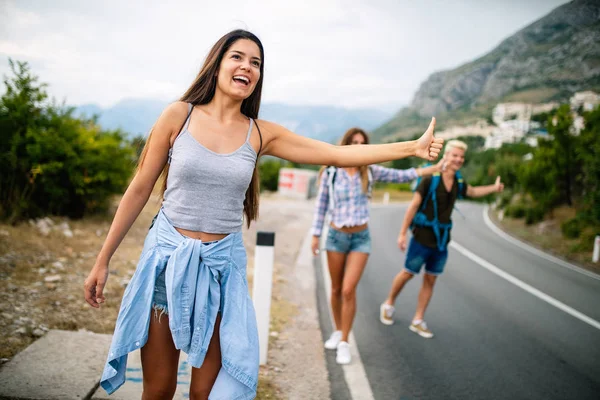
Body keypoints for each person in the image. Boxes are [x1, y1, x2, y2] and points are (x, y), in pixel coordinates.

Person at [83, 29, 443, 400]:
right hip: (166, 262)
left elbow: (337, 155)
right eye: (238, 57)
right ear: (218, 62)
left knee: (205, 393)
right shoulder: (179, 115)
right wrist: (102, 259)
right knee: (158, 389)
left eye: (256, 63)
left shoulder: (260, 134)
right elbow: (140, 188)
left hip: (220, 272)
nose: (247, 67)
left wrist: (411, 147)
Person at [310, 127, 443, 365]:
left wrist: (429, 169)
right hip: (336, 237)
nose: (358, 147)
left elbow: (401, 176)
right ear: (345, 144)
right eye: (354, 142)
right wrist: (315, 235)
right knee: (336, 290)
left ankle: (344, 342)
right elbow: (321, 206)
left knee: (349, 290)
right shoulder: (331, 172)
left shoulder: (369, 171)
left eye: (362, 143)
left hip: (360, 237)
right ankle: (338, 330)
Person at [379, 140, 504, 338]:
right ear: (445, 156)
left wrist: (493, 188)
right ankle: (389, 303)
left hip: (442, 240)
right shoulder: (430, 178)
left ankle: (418, 320)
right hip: (421, 236)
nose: (458, 160)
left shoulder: (458, 181)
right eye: (455, 155)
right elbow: (413, 206)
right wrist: (402, 233)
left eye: (461, 157)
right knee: (408, 272)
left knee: (430, 279)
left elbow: (471, 192)